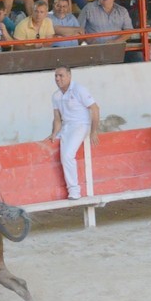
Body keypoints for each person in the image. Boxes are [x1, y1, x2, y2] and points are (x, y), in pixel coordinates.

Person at [45, 66, 100, 200]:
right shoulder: (56, 95)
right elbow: (57, 119)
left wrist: (93, 131)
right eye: (56, 76)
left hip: (81, 125)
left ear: (69, 76)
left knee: (68, 155)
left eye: (61, 75)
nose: (58, 79)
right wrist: (53, 134)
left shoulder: (79, 90)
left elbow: (95, 108)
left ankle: (74, 190)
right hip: (66, 127)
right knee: (49, 146)